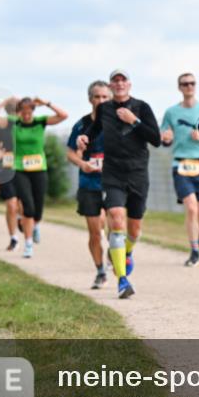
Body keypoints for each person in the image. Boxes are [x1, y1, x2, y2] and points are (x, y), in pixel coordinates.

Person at [77, 69, 161, 299]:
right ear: (111, 86)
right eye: (115, 80)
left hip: (137, 174)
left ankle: (127, 252)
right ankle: (122, 281)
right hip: (113, 174)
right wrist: (84, 138)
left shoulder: (142, 107)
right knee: (115, 218)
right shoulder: (104, 109)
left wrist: (134, 121)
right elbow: (93, 131)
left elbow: (156, 139)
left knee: (134, 230)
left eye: (123, 80)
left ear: (129, 84)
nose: (119, 83)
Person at [0, 97, 67, 258]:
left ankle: (36, 225)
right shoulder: (13, 122)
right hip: (19, 169)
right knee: (28, 206)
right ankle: (28, 244)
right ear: (19, 112)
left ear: (33, 111)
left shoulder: (40, 121)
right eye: (23, 112)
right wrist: (5, 102)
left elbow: (63, 115)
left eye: (29, 113)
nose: (25, 116)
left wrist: (46, 103)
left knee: (38, 210)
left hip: (39, 169)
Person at [161, 72, 199, 267]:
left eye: (192, 83)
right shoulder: (171, 112)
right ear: (179, 87)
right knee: (191, 208)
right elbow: (165, 137)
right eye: (184, 84)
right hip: (181, 164)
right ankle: (194, 251)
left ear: (195, 85)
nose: (188, 86)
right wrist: (166, 138)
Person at [67, 80, 112, 289]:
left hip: (113, 182)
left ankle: (115, 252)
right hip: (89, 183)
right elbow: (70, 153)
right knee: (95, 232)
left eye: (105, 97)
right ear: (90, 99)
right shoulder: (81, 125)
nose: (101, 101)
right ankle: (100, 270)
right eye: (97, 97)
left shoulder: (116, 123)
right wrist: (82, 164)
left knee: (116, 227)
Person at [0, 100, 21, 251]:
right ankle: (13, 237)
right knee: (11, 205)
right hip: (6, 169)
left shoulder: (25, 124)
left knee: (22, 206)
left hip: (24, 169)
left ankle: (21, 219)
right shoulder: (1, 126)